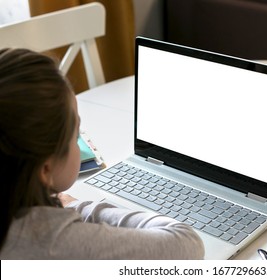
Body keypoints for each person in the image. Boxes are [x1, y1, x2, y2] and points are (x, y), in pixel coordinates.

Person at [0, 48, 204, 259]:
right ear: (45, 168)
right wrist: (75, 206)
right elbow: (187, 244)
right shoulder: (53, 240)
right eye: (76, 134)